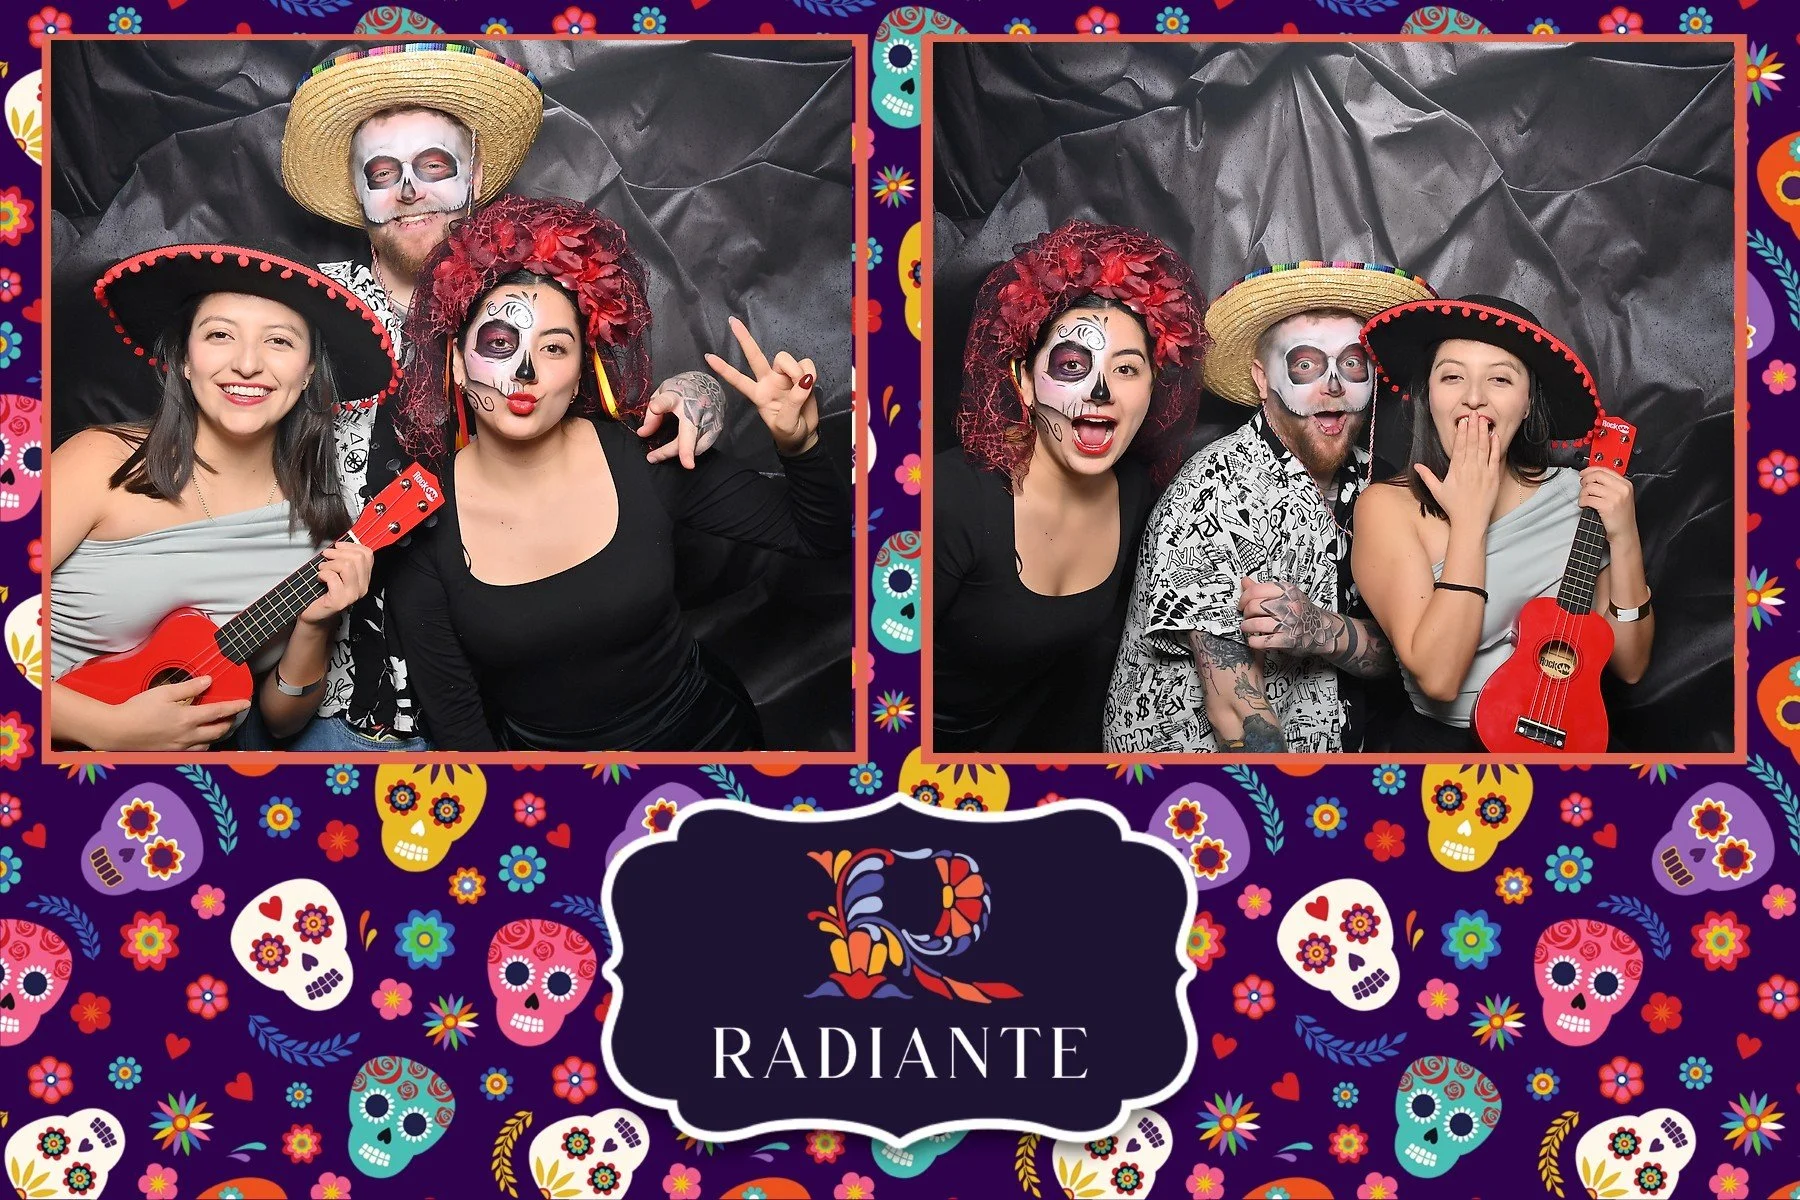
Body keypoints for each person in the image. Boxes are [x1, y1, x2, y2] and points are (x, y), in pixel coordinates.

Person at [278, 41, 723, 750]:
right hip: (342, 708)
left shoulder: (533, 293)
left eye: (433, 166)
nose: (408, 191)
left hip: (514, 706)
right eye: (383, 172)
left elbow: (622, 433)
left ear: (476, 173)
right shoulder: (301, 318)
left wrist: (702, 391)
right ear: (359, 191)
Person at [385, 196, 851, 751]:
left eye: (554, 348)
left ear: (582, 366)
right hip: (546, 791)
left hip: (707, 744)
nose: (526, 372)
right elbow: (460, 729)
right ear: (459, 363)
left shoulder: (643, 459)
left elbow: (820, 536)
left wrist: (799, 446)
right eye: (501, 344)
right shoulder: (423, 520)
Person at [49, 242, 397, 750]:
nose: (248, 363)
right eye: (219, 335)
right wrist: (106, 729)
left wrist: (314, 627)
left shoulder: (310, 527)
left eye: (278, 341)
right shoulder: (100, 462)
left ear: (306, 375)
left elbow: (281, 721)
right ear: (184, 361)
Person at [1104, 261, 1436, 753]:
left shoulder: (1384, 485)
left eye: (1350, 364)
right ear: (1262, 379)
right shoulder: (1212, 493)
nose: (1333, 386)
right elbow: (1234, 707)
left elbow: (1411, 652)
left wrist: (1322, 629)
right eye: (1304, 365)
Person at [933, 221, 1207, 751]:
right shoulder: (951, 500)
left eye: (1127, 370)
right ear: (1025, 380)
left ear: (1154, 389)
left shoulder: (1136, 493)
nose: (1100, 390)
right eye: (1073, 365)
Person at [1353, 294, 1653, 751]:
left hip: (1564, 748)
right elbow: (1438, 678)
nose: (1474, 398)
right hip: (1443, 754)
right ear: (1428, 397)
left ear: (1528, 402)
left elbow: (1630, 666)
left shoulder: (1578, 496)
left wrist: (1625, 536)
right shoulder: (1386, 507)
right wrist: (1471, 517)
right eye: (1452, 376)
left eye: (1499, 379)